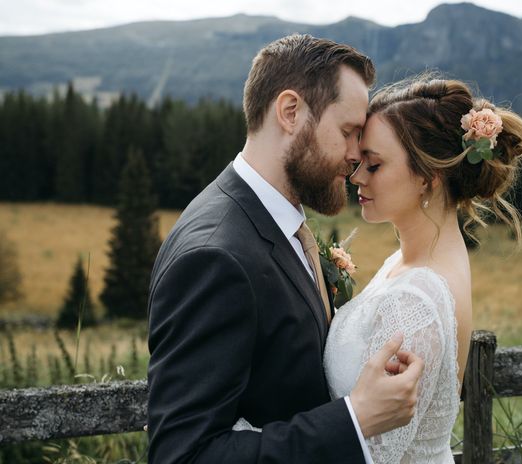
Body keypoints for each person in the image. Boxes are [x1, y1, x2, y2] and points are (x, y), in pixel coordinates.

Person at [146, 34, 425, 464]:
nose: (356, 156)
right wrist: (356, 418)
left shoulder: (276, 219)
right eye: (348, 132)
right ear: (291, 112)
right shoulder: (214, 257)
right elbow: (184, 455)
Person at [323, 76, 522, 463]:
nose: (357, 176)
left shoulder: (414, 298)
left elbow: (374, 453)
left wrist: (248, 440)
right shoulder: (416, 260)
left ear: (427, 177)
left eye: (374, 164)